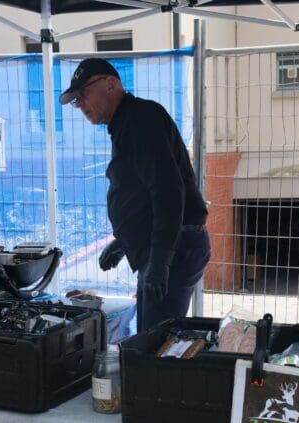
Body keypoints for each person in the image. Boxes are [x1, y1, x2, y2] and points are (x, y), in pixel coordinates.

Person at [60, 58, 210, 332]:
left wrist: (160, 260)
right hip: (164, 247)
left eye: (82, 94)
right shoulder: (127, 123)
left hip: (173, 247)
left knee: (154, 346)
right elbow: (142, 194)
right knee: (150, 340)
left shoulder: (141, 120)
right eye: (76, 100)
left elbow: (167, 191)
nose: (79, 104)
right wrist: (123, 242)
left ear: (110, 84)